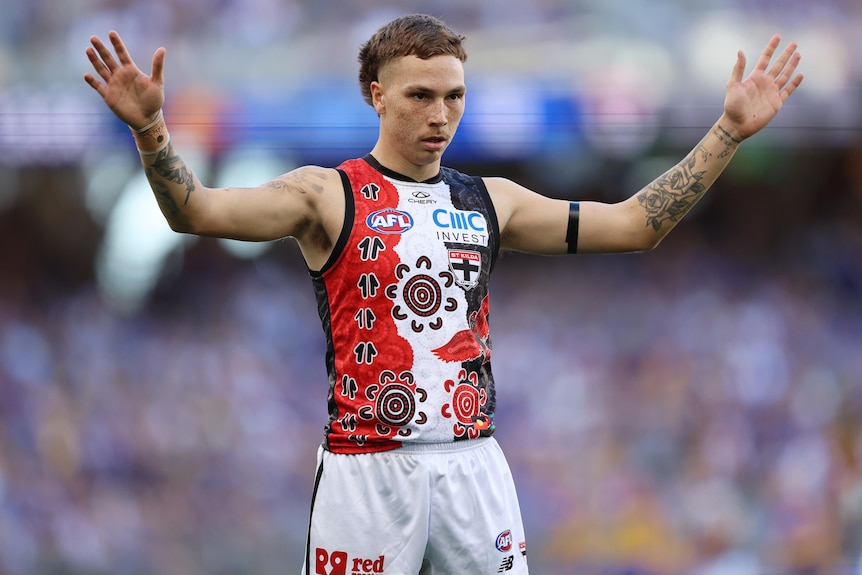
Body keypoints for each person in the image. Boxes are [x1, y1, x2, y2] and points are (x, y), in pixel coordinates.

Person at [83, 13, 803, 575]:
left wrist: (728, 131)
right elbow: (197, 212)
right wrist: (150, 129)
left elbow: (636, 224)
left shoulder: (493, 200)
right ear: (377, 96)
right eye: (420, 95)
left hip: (472, 461)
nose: (440, 114)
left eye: (454, 96)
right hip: (367, 466)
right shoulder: (326, 194)